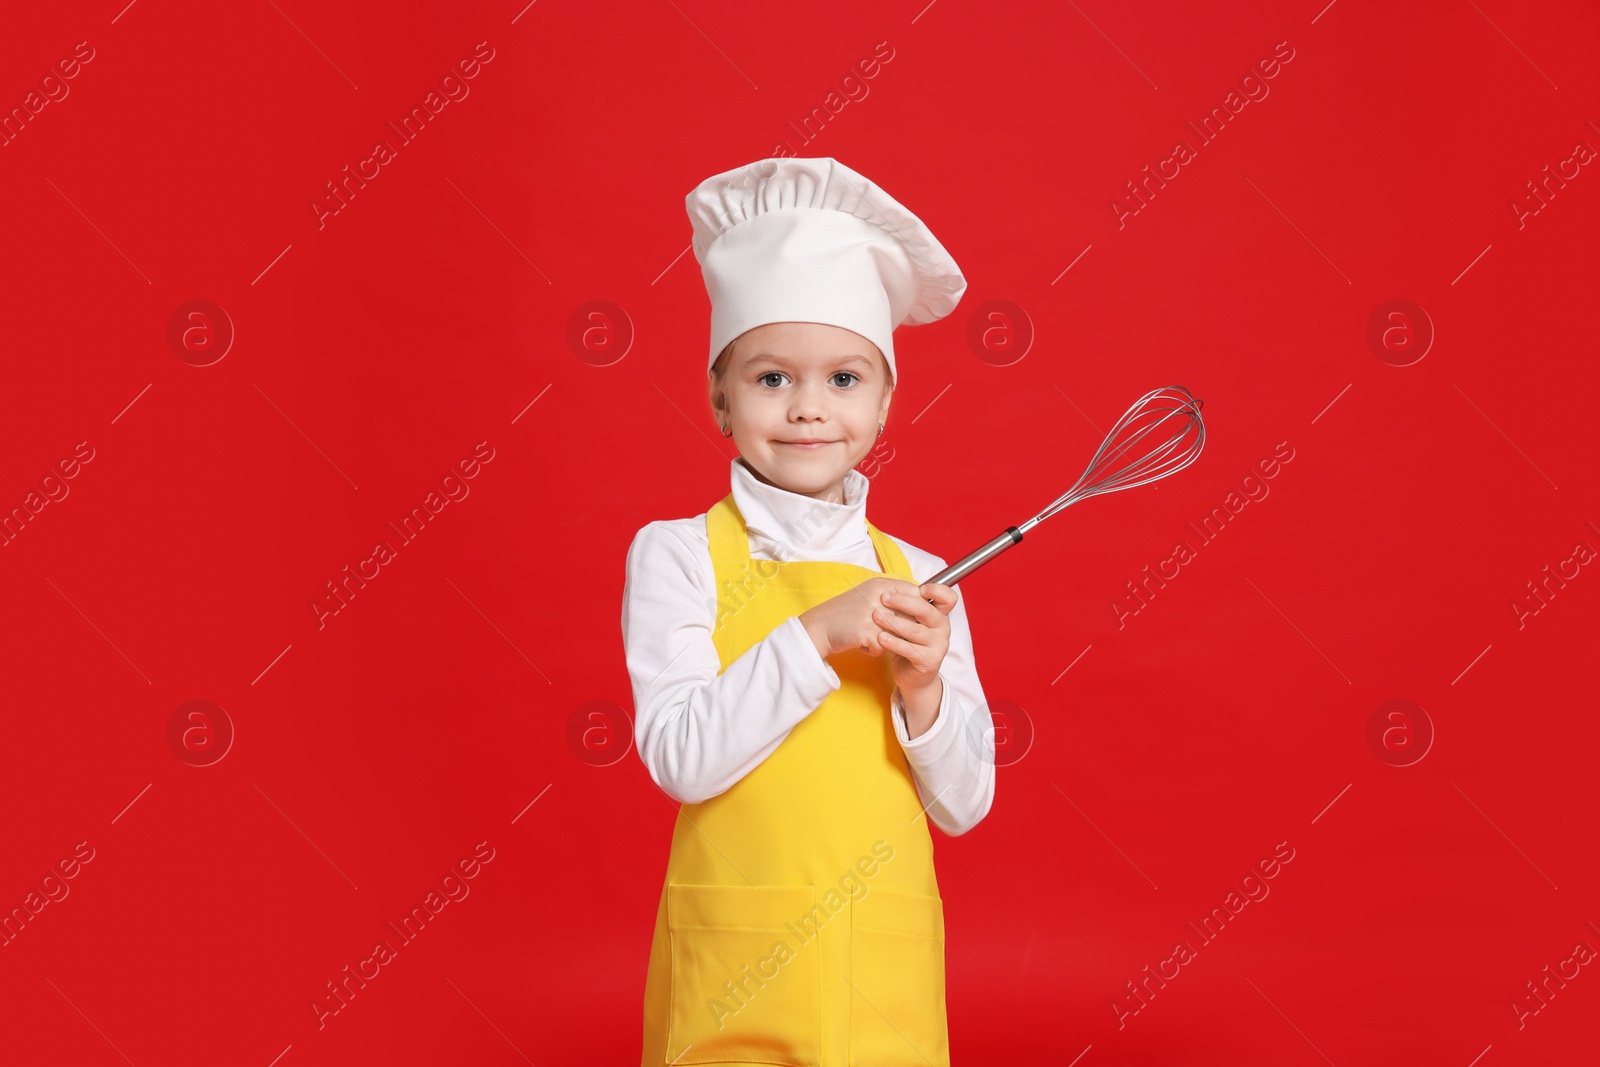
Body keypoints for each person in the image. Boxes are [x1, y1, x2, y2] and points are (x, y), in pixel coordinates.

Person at [622, 156, 996, 1067]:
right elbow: (680, 757)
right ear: (721, 393)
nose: (806, 411)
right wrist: (820, 631)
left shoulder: (921, 575)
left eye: (842, 380)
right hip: (739, 957)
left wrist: (922, 693)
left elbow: (964, 805)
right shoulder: (677, 552)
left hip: (879, 965)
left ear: (884, 401)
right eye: (771, 378)